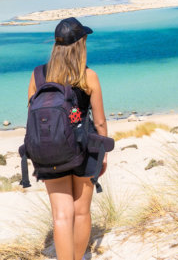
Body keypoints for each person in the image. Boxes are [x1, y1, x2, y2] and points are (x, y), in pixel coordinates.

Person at [27, 17, 108, 260]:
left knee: (61, 215)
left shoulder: (38, 75)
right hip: (85, 149)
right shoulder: (88, 76)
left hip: (49, 149)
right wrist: (103, 155)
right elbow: (101, 121)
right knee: (81, 212)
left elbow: (33, 115)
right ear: (80, 44)